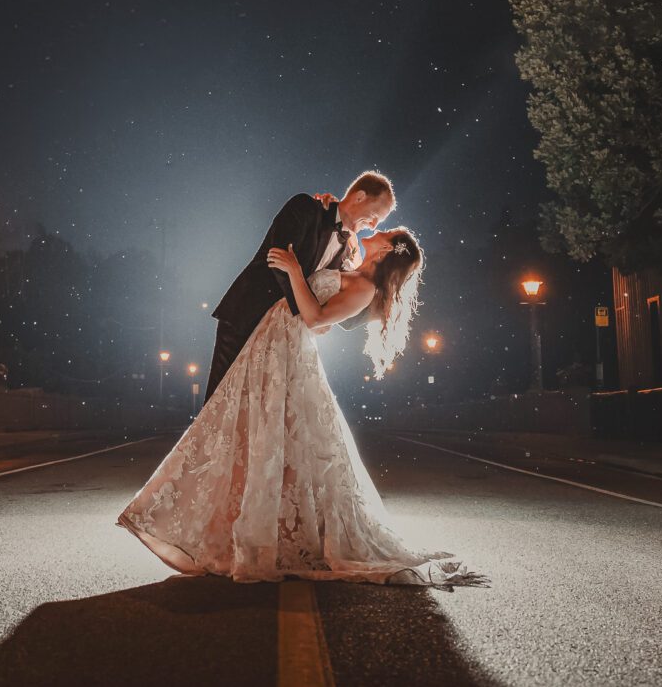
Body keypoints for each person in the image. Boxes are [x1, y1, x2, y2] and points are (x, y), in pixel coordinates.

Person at [117, 224, 481, 587]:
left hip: (289, 353)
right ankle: (245, 527)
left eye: (386, 232)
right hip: (271, 343)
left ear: (387, 250)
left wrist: (294, 271)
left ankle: (268, 535)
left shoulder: (366, 288)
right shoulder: (354, 269)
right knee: (252, 435)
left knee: (277, 440)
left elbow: (316, 318)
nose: (379, 229)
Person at [201, 172, 394, 404]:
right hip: (247, 315)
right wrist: (308, 313)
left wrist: (382, 303)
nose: (373, 227)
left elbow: (346, 318)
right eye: (374, 217)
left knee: (256, 411)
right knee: (220, 401)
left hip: (281, 338)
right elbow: (278, 261)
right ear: (360, 196)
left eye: (378, 223)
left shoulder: (346, 252)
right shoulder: (305, 207)